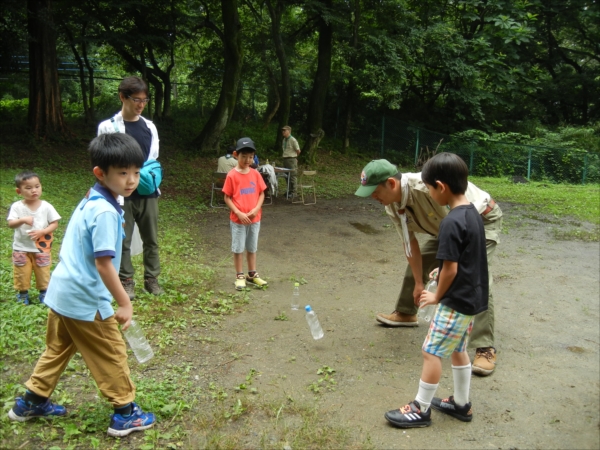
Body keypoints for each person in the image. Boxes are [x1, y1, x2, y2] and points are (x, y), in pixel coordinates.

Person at [7, 133, 156, 437]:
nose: (131, 180)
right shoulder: (104, 212)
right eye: (123, 173)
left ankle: (31, 401)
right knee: (111, 352)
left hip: (63, 293)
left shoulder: (95, 196)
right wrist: (124, 302)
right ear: (101, 173)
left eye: (136, 172)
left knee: (58, 348)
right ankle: (125, 413)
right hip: (86, 299)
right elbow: (104, 264)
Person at [355, 158, 502, 376]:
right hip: (446, 228)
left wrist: (446, 270)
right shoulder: (393, 205)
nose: (373, 198)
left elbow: (459, 231)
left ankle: (485, 347)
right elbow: (410, 244)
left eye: (375, 192)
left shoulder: (429, 189)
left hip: (479, 221)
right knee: (421, 260)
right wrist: (418, 283)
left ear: (391, 184)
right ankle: (406, 313)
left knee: (475, 278)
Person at [383, 152, 488, 428]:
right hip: (470, 299)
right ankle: (461, 405)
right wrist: (440, 270)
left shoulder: (451, 222)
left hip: (453, 301)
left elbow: (452, 270)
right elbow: (463, 261)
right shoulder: (473, 214)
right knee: (458, 349)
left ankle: (421, 408)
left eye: (429, 188)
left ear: (440, 187)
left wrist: (437, 294)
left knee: (431, 352)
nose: (428, 192)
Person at [98, 76, 163, 299]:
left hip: (147, 191)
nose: (141, 105)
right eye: (136, 99)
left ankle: (151, 279)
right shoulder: (108, 127)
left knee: (151, 238)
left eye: (145, 100)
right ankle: (126, 280)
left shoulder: (149, 127)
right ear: (122, 97)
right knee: (122, 238)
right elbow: (103, 160)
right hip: (121, 193)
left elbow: (153, 158)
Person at [7, 171, 61, 305]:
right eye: (28, 188)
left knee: (43, 271)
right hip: (21, 247)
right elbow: (11, 224)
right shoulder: (17, 207)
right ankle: (23, 294)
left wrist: (42, 232)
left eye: (37, 186)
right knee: (21, 272)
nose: (34, 190)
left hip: (41, 247)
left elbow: (54, 223)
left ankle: (44, 293)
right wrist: (22, 220)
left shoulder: (46, 206)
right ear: (19, 191)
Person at [222, 137, 269, 291]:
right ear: (236, 154)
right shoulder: (232, 175)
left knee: (252, 247)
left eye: (251, 157)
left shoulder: (255, 174)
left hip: (255, 219)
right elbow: (227, 197)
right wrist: (238, 212)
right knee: (238, 248)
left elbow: (262, 193)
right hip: (238, 220)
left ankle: (252, 274)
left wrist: (256, 209)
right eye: (244, 157)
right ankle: (239, 275)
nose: (248, 160)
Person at [281, 125, 300, 197]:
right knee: (286, 176)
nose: (283, 132)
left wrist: (295, 158)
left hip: (291, 159)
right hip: (285, 159)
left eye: (284, 130)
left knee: (292, 176)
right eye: (282, 130)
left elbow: (298, 150)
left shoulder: (293, 140)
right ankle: (289, 191)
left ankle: (294, 192)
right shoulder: (284, 140)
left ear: (289, 131)